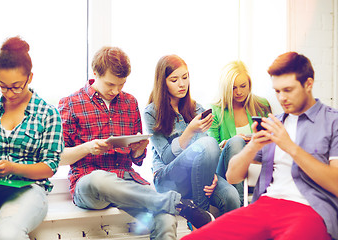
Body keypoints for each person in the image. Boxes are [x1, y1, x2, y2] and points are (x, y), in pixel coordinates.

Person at [58, 47, 214, 240]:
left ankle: (172, 206)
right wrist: (88, 147)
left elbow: (137, 160)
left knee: (165, 218)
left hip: (126, 182)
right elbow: (59, 158)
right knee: (99, 179)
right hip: (89, 183)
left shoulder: (129, 102)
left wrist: (138, 150)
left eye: (121, 84)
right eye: (110, 84)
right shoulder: (71, 103)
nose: (116, 90)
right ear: (95, 73)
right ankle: (178, 204)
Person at [181, 52, 338, 240]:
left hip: (310, 208)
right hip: (265, 206)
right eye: (277, 91)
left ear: (308, 84)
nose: (282, 98)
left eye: (288, 90)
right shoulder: (273, 122)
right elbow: (232, 177)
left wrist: (289, 146)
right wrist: (253, 145)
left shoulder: (332, 122)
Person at [0, 36, 64, 240]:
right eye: (3, 85)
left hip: (28, 189)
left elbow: (50, 166)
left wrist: (14, 168)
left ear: (30, 78)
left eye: (16, 86)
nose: (10, 93)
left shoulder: (48, 113)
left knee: (7, 234)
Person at [144, 55, 240, 219]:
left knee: (231, 196)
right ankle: (200, 218)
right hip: (168, 180)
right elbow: (167, 157)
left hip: (197, 176)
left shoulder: (196, 109)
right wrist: (190, 130)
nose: (182, 84)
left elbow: (207, 156)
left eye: (185, 77)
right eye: (174, 80)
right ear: (162, 82)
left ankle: (221, 231)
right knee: (208, 143)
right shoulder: (151, 113)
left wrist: (213, 176)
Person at [208, 60, 271, 205]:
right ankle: (241, 207)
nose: (239, 92)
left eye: (243, 86)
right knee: (236, 142)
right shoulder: (215, 111)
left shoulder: (262, 105)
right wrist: (229, 143)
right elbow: (211, 150)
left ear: (250, 84)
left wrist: (255, 141)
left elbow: (271, 141)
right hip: (226, 170)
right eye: (233, 88)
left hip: (255, 163)